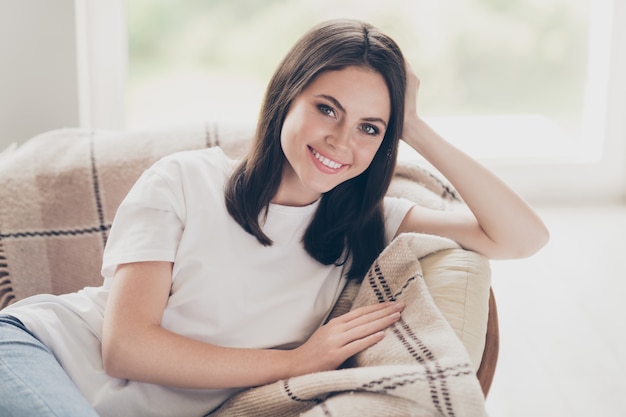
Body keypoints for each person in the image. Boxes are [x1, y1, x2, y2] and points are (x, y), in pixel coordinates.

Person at [0, 19, 549, 416]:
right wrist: (296, 362)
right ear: (286, 96)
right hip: (40, 352)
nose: (340, 140)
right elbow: (128, 348)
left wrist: (417, 126)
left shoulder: (365, 223)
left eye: (370, 127)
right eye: (326, 108)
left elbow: (522, 237)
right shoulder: (184, 181)